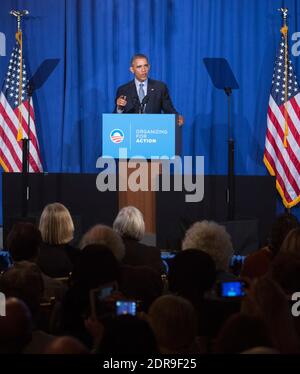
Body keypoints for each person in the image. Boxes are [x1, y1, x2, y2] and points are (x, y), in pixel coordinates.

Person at [115, 54, 184, 126]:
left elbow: (169, 109)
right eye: (139, 67)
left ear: (149, 67)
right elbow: (116, 119)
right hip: (131, 131)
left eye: (146, 66)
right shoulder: (123, 90)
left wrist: (177, 117)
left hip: (153, 131)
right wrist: (119, 108)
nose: (143, 70)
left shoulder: (160, 87)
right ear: (132, 70)